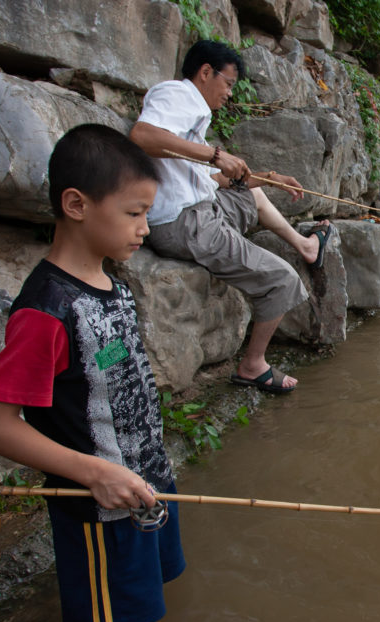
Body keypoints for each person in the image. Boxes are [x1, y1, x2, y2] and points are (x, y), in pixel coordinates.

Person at [0, 124, 184, 622]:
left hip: (147, 482)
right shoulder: (46, 310)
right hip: (99, 507)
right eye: (134, 213)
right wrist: (94, 473)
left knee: (147, 600)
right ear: (76, 204)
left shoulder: (112, 282)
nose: (145, 227)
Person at [129, 39, 331, 395]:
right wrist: (214, 155)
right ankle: (253, 366)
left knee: (249, 190)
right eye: (229, 83)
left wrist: (269, 178)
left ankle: (305, 245)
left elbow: (213, 178)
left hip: (204, 207)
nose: (229, 94)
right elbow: (142, 135)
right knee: (282, 281)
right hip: (186, 222)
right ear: (205, 72)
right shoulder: (177, 94)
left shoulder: (192, 114)